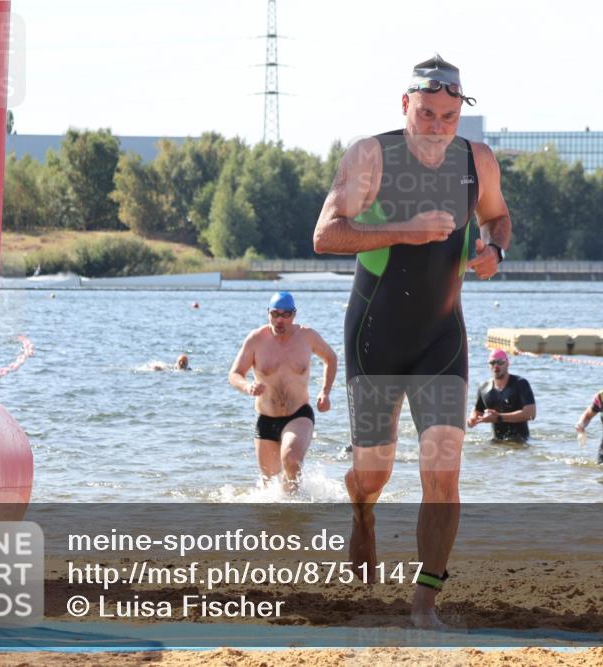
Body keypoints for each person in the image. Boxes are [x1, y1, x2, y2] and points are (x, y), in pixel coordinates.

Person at [313, 54, 511, 629]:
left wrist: (494, 251)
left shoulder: (478, 161)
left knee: (443, 469)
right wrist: (406, 231)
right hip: (374, 337)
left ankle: (425, 601)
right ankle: (363, 514)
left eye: (449, 116)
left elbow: (499, 219)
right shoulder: (371, 156)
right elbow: (325, 235)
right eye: (426, 113)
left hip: (442, 339)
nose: (436, 126)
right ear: (406, 106)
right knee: (373, 473)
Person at [229, 292, 337, 492]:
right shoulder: (256, 339)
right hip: (266, 419)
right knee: (270, 487)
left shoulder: (307, 336)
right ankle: (282, 521)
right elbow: (234, 374)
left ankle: (297, 513)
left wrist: (325, 392)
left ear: (294, 315)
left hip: (299, 414)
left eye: (285, 314)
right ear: (268, 313)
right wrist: (247, 386)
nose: (280, 319)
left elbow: (331, 358)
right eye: (275, 314)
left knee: (291, 460)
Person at [467, 349, 535, 443]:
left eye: (500, 362)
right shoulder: (484, 388)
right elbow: (477, 410)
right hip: (496, 443)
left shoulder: (520, 383)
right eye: (492, 363)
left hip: (520, 443)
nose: (496, 366)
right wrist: (472, 419)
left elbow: (531, 414)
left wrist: (498, 417)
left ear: (507, 363)